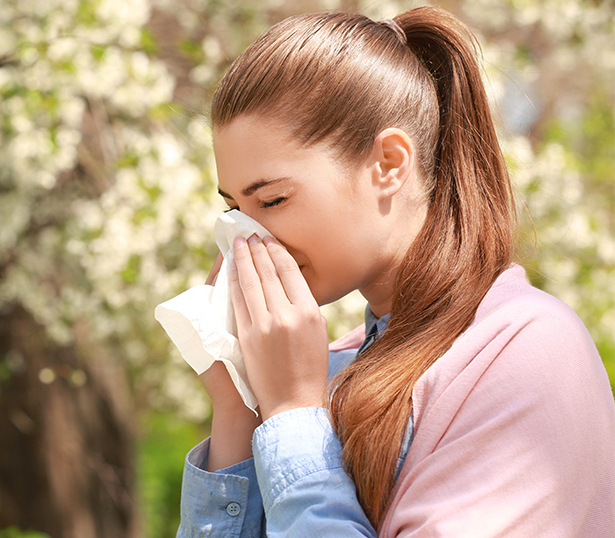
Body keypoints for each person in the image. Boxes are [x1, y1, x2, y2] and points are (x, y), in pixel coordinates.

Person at [174, 6, 615, 537]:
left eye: (272, 199)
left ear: (388, 163)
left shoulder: (523, 351)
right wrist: (239, 410)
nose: (250, 237)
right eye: (234, 210)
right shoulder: (332, 370)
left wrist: (292, 413)